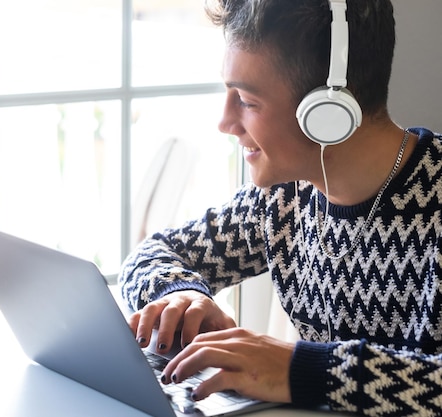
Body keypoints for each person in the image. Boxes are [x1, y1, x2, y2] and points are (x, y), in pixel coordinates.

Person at [118, 0, 442, 416]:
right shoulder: (285, 196)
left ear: (328, 112)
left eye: (248, 101)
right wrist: (179, 294)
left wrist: (301, 370)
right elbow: (153, 253)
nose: (225, 121)